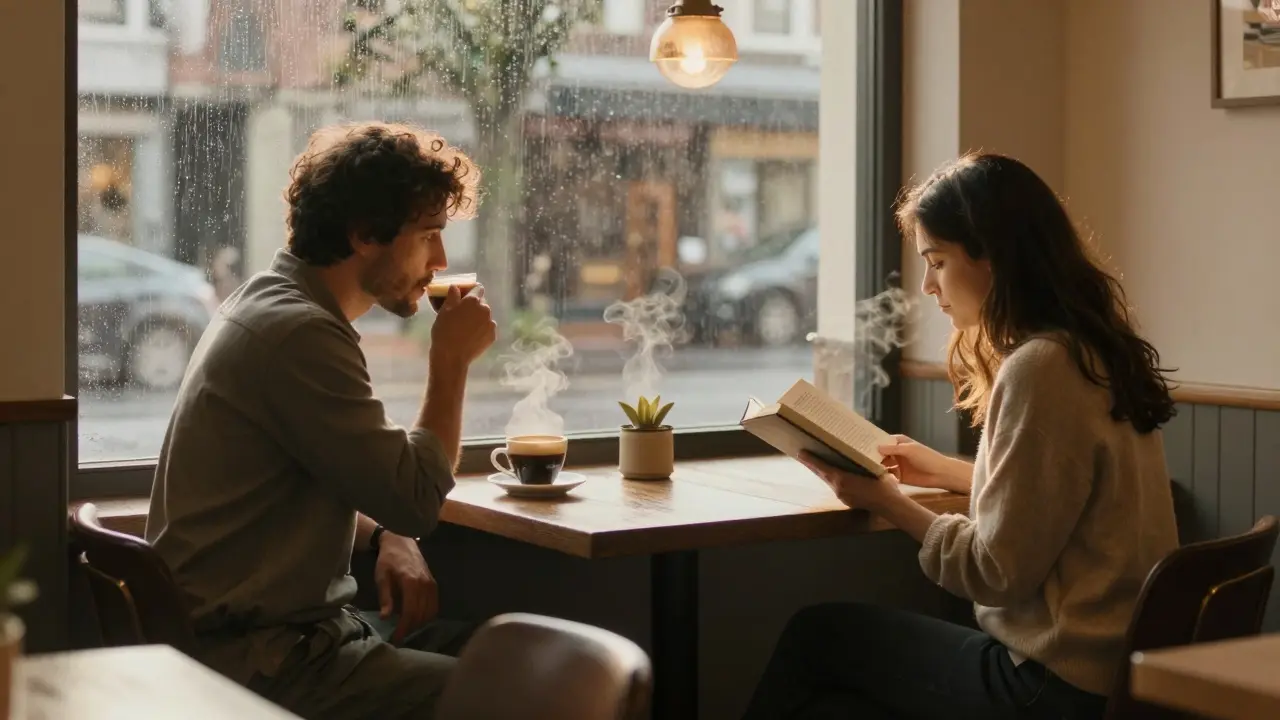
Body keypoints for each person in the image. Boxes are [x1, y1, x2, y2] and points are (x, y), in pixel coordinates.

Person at [742, 153, 1180, 719]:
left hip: (1053, 687)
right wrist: (947, 471)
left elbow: (995, 571)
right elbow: (1058, 502)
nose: (926, 285)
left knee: (817, 636)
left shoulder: (1039, 368)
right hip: (1115, 675)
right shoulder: (1089, 350)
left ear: (993, 257)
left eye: (938, 261)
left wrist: (888, 503)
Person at [144, 121, 495, 719]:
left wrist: (383, 536)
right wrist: (450, 361)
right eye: (429, 235)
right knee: (526, 695)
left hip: (288, 639)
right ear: (364, 235)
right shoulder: (300, 333)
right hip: (268, 664)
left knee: (498, 651)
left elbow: (317, 476)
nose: (440, 261)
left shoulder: (269, 301)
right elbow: (414, 498)